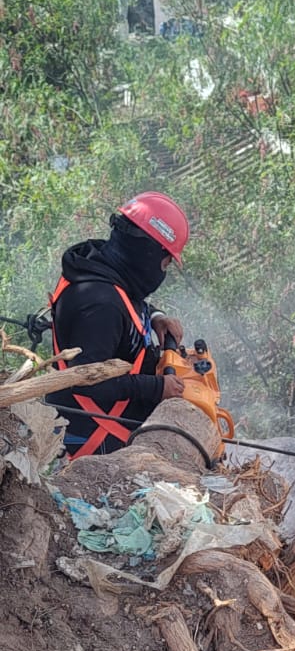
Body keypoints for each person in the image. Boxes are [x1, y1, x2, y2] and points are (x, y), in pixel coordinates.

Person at [47, 192, 190, 460]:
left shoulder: (104, 267)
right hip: (93, 445)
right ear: (147, 253)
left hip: (113, 427)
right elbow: (87, 381)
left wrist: (156, 316)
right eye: (165, 262)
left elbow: (129, 302)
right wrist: (157, 388)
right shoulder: (99, 304)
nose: (163, 270)